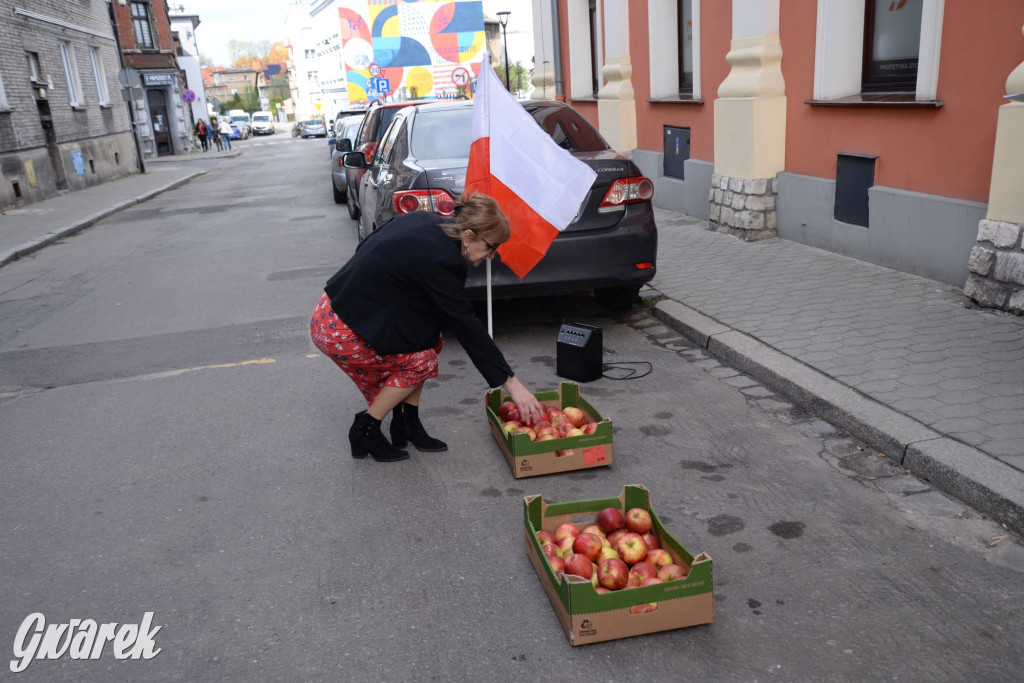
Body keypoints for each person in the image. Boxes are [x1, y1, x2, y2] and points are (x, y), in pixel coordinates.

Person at [309, 193, 544, 463]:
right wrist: (512, 385)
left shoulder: (427, 221)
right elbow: (466, 324)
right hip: (339, 329)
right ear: (468, 236)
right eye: (491, 247)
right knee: (420, 362)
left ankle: (407, 423)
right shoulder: (444, 259)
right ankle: (365, 429)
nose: (492, 255)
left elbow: (368, 248)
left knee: (431, 340)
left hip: (334, 307)